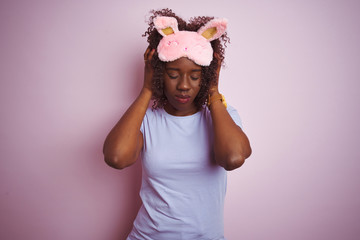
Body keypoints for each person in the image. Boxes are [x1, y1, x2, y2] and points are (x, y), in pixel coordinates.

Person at [103, 8, 252, 240]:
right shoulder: (147, 119)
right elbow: (116, 157)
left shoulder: (222, 115)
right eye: (173, 74)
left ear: (206, 75)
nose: (184, 85)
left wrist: (213, 91)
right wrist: (146, 90)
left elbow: (232, 158)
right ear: (160, 73)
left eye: (194, 76)